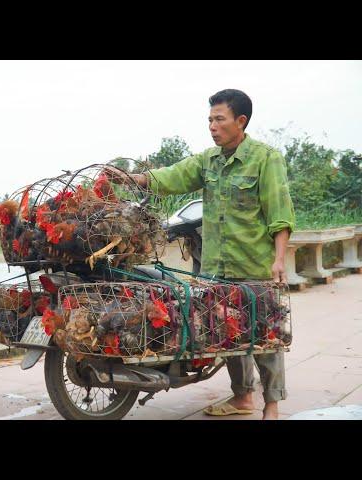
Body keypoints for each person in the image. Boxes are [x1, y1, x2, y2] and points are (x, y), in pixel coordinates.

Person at [106, 89, 295, 420]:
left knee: (265, 337)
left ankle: (272, 406)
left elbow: (280, 214)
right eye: (209, 119)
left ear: (241, 121)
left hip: (253, 264)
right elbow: (173, 176)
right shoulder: (208, 161)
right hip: (215, 266)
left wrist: (279, 259)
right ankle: (242, 398)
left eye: (219, 119)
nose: (212, 126)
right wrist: (133, 178)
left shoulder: (266, 159)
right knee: (228, 333)